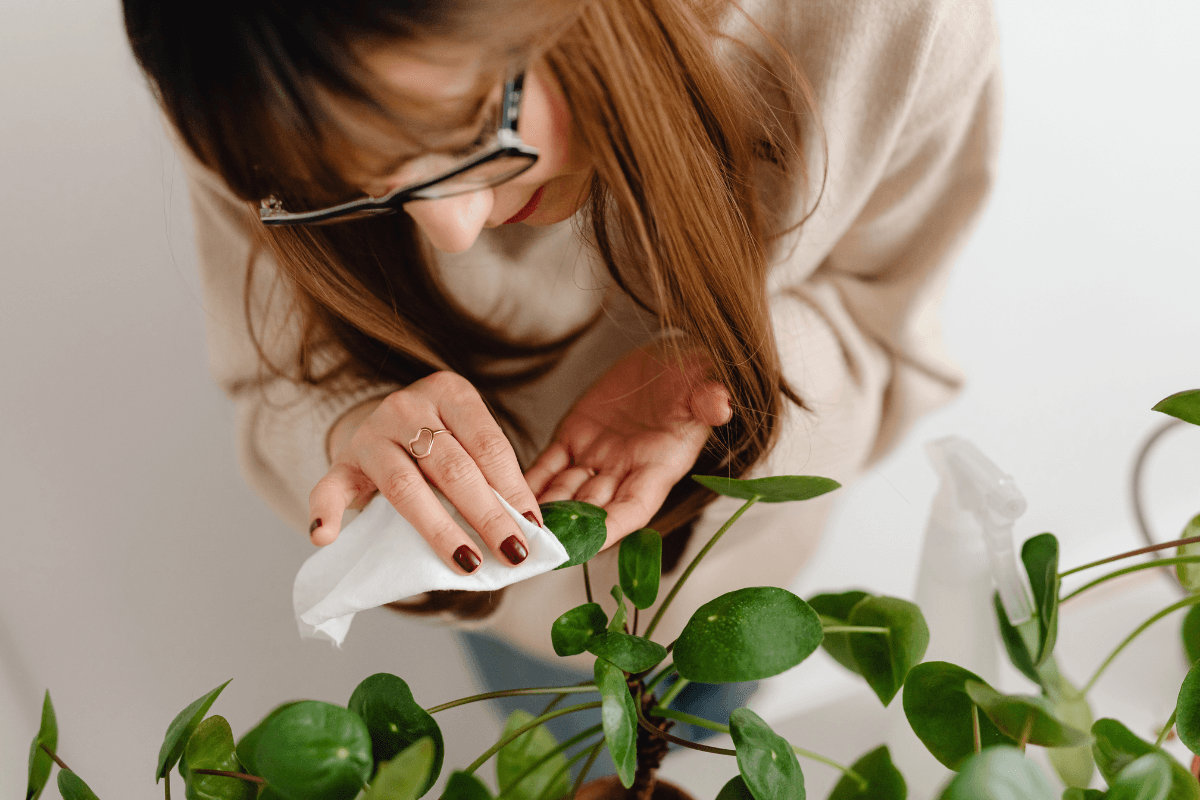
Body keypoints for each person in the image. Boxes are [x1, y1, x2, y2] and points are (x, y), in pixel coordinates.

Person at [123, 0, 999, 774]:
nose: (455, 230)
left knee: (721, 730)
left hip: (741, 580)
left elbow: (890, 335)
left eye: (466, 127)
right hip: (519, 620)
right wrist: (354, 431)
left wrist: (741, 373)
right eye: (363, 187)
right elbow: (269, 381)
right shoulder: (235, 69)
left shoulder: (891, 22)